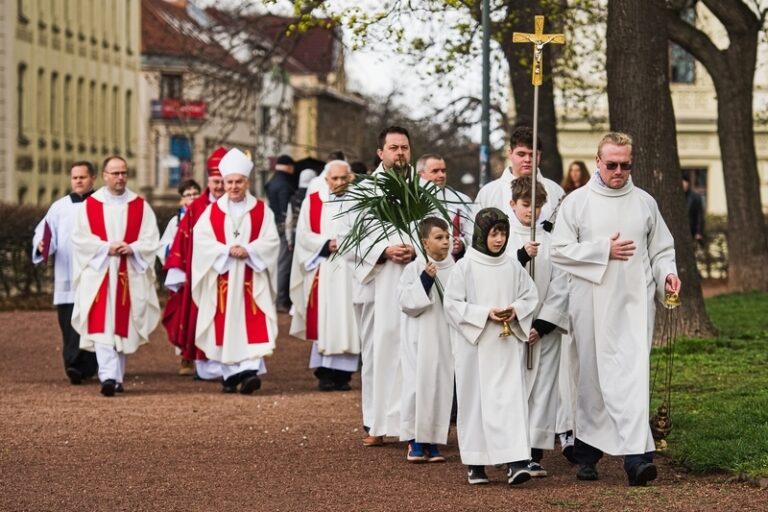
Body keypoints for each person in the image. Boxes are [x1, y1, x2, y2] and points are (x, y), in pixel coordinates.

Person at [551, 132, 681, 486]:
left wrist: (668, 274)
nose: (619, 171)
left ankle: (637, 460)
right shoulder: (577, 203)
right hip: (591, 303)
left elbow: (661, 250)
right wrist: (600, 250)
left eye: (625, 165)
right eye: (611, 165)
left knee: (632, 378)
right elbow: (558, 250)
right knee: (591, 377)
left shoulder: (644, 203)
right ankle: (587, 457)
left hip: (634, 306)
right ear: (597, 161)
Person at [444, 207, 539, 485]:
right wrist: (484, 314)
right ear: (482, 233)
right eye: (494, 233)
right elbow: (452, 304)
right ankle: (476, 462)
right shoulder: (465, 266)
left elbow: (529, 296)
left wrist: (515, 310)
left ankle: (516, 461)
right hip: (476, 347)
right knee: (476, 402)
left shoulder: (511, 265)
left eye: (504, 233)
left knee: (510, 401)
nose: (499, 239)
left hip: (507, 345)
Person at [348, 126, 416, 446]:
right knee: (379, 351)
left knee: (414, 352)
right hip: (380, 280)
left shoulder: (421, 188)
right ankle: (375, 422)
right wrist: (385, 251)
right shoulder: (365, 191)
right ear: (381, 153)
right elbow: (351, 238)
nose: (399, 153)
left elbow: (435, 229)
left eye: (404, 147)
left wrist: (418, 248)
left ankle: (412, 422)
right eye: (393, 148)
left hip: (415, 278)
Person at [70, 156, 161, 397]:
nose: (120, 178)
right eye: (115, 173)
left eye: (123, 173)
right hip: (100, 274)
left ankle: (116, 378)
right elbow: (79, 239)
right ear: (104, 176)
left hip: (129, 273)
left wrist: (133, 248)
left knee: (122, 327)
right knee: (102, 327)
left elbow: (151, 240)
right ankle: (108, 377)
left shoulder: (140, 206)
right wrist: (105, 248)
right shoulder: (91, 205)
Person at [191, 148, 280, 394]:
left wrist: (250, 250)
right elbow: (201, 240)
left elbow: (272, 241)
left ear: (247, 182)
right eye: (229, 182)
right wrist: (226, 250)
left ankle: (249, 371)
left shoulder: (263, 210)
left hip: (252, 278)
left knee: (251, 322)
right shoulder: (212, 212)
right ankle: (231, 375)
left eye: (238, 181)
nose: (233, 186)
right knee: (226, 323)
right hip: (223, 278)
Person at [507, 177, 569, 477]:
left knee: (543, 388)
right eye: (525, 205)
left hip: (544, 327)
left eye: (537, 205)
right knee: (516, 387)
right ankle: (512, 449)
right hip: (513, 327)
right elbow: (495, 277)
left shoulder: (552, 238)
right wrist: (520, 256)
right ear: (512, 204)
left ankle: (534, 452)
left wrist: (543, 324)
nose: (531, 211)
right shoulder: (502, 237)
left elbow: (562, 281)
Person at [289, 160, 360, 391]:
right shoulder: (314, 201)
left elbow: (366, 233)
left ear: (350, 178)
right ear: (326, 179)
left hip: (350, 268)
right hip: (325, 267)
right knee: (326, 317)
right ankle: (325, 372)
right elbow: (303, 234)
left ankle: (344, 375)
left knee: (348, 319)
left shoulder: (359, 202)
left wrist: (345, 244)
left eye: (343, 178)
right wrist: (325, 244)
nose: (339, 182)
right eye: (335, 178)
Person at [32, 161, 99, 385]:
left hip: (94, 274)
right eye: (75, 177)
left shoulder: (102, 204)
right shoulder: (59, 207)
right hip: (67, 273)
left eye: (83, 177)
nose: (78, 181)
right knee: (69, 321)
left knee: (92, 320)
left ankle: (88, 365)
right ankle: (73, 364)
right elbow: (44, 233)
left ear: (93, 179)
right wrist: (41, 245)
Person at [163, 147, 227, 377]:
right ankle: (204, 365)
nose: (219, 186)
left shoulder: (236, 206)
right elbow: (182, 240)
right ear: (208, 181)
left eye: (223, 181)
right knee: (201, 317)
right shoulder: (197, 207)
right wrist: (179, 273)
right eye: (215, 181)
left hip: (229, 273)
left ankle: (228, 362)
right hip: (198, 274)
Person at [397, 217, 455, 463]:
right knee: (417, 384)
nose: (445, 242)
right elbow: (405, 302)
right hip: (419, 336)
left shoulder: (456, 267)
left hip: (444, 336)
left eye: (447, 237)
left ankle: (433, 438)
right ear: (424, 242)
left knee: (441, 385)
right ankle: (415, 440)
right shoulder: (415, 268)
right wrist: (425, 279)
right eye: (438, 238)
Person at [475, 126, 565, 232]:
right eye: (521, 154)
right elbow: (477, 235)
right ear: (510, 153)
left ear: (540, 155)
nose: (527, 159)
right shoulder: (489, 193)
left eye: (533, 155)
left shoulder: (555, 191)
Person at [417, 153, 474, 259]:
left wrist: (461, 244)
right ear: (421, 174)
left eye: (443, 171)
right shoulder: (410, 199)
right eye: (435, 171)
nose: (441, 175)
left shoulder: (462, 200)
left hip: (453, 264)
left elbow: (472, 235)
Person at [265, 154, 296, 312]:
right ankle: (281, 300)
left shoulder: (273, 180)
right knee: (283, 264)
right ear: (289, 167)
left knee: (278, 263)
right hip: (283, 227)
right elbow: (285, 210)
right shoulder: (284, 184)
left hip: (273, 225)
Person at [157, 179, 201, 266]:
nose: (192, 197)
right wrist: (177, 244)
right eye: (188, 195)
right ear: (182, 198)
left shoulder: (206, 217)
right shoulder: (175, 221)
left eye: (195, 194)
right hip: (181, 264)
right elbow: (162, 248)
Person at [285, 169, 318, 253]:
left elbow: (289, 219)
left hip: (297, 236)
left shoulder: (294, 198)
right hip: (314, 237)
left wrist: (289, 239)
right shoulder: (317, 197)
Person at [682, 174, 705, 244]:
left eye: (684, 182)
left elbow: (699, 215)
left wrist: (698, 232)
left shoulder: (695, 197)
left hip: (691, 230)